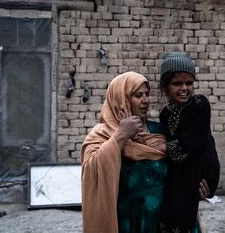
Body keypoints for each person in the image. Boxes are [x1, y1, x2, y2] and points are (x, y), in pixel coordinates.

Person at [81, 71, 210, 233]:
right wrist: (121, 136)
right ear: (121, 99)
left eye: (147, 94)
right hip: (131, 222)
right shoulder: (101, 134)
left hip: (169, 220)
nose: (145, 101)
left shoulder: (159, 131)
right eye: (138, 95)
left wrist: (196, 188)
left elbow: (185, 164)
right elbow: (92, 172)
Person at [159, 53, 221, 233]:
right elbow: (174, 152)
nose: (184, 88)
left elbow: (191, 143)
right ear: (165, 87)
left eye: (189, 83)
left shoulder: (200, 105)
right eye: (177, 83)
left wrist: (159, 148)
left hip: (200, 172)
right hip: (179, 175)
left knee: (183, 222)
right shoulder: (165, 114)